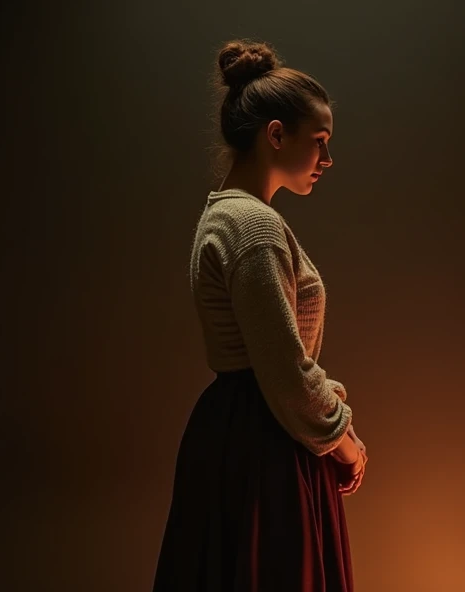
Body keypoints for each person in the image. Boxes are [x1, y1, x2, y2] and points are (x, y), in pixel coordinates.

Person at [152, 39, 368, 592]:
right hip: (264, 449)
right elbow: (286, 375)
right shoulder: (255, 229)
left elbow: (272, 358)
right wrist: (345, 441)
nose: (327, 159)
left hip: (235, 437)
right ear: (275, 135)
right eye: (318, 142)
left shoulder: (223, 216)